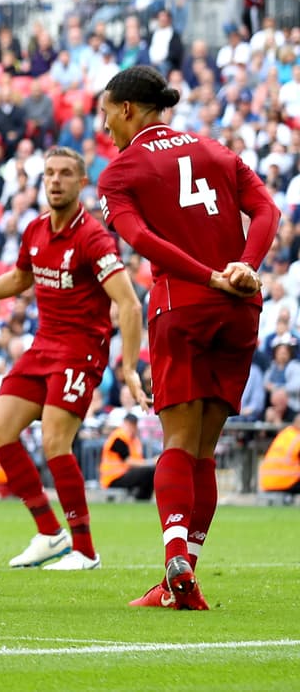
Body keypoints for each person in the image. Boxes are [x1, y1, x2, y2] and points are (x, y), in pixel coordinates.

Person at [96, 65, 280, 610]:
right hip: (240, 309)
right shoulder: (217, 151)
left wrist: (207, 275)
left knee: (176, 442)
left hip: (183, 306)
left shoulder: (120, 171)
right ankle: (184, 578)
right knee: (204, 449)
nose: (105, 125)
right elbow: (267, 209)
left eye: (107, 112)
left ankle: (175, 553)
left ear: (128, 108)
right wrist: (244, 267)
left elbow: (141, 240)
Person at [0, 147, 147, 571]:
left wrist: (130, 368)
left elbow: (130, 305)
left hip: (80, 350)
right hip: (42, 347)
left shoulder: (93, 237)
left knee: (55, 442)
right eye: (49, 174)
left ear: (82, 183)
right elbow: (20, 278)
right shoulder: (36, 229)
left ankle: (85, 550)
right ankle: (49, 533)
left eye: (65, 174)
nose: (56, 181)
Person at [100, 413, 155, 500]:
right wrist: (151, 462)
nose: (132, 427)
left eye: (134, 424)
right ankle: (141, 500)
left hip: (125, 474)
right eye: (130, 424)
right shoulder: (118, 438)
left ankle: (142, 499)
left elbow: (137, 460)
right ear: (124, 423)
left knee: (150, 471)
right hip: (113, 478)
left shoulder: (134, 440)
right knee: (149, 470)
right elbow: (128, 460)